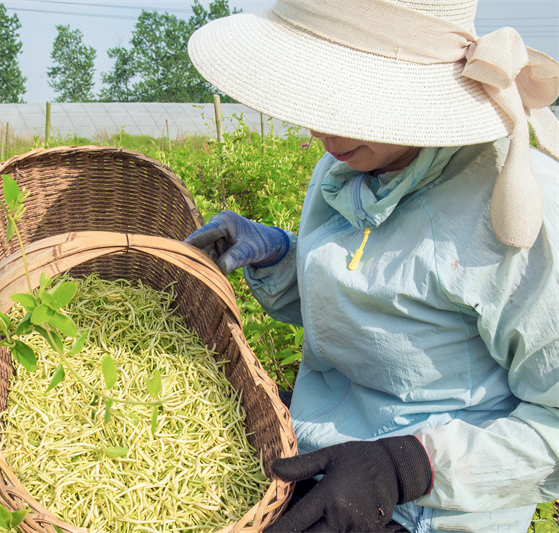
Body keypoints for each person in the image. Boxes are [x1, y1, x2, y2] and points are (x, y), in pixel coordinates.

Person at [183, 0, 559, 531]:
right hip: (327, 450)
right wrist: (279, 255)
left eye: (351, 105)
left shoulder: (517, 209)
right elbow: (370, 311)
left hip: (436, 505)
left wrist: (404, 466)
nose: (324, 134)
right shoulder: (347, 166)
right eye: (315, 102)